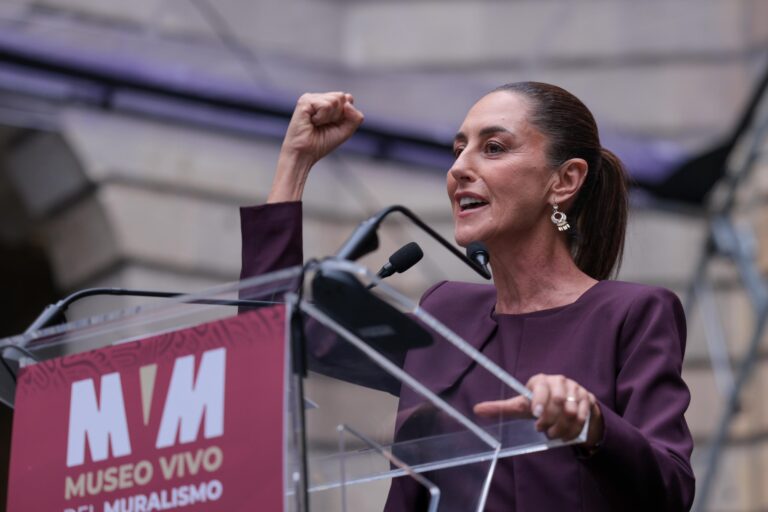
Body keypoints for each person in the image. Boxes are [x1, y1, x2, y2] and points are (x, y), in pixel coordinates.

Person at [240, 83, 695, 510]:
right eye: (458, 150)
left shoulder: (631, 314)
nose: (458, 168)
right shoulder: (446, 312)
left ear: (564, 180)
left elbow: (672, 488)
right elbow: (271, 331)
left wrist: (593, 425)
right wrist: (295, 161)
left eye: (493, 148)